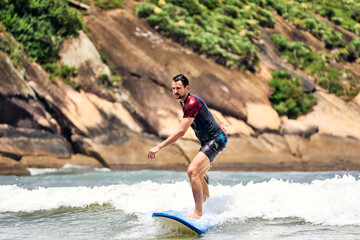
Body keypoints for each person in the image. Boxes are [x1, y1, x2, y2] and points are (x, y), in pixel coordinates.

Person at [147, 74, 228, 219]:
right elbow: (208, 110)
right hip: (210, 141)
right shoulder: (185, 101)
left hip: (216, 140)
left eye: (178, 88)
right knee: (199, 176)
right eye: (173, 89)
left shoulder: (191, 103)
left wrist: (159, 147)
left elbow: (181, 132)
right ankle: (207, 207)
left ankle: (198, 213)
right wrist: (221, 121)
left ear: (187, 88)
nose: (175, 91)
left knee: (192, 171)